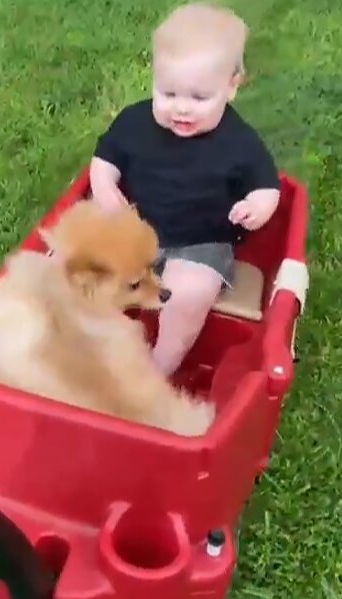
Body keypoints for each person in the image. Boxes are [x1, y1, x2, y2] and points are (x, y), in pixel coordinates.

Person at [89, 2, 279, 377]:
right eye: (168, 92)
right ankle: (90, 345)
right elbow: (103, 161)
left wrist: (256, 207)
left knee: (188, 292)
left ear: (232, 87)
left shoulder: (239, 142)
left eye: (198, 98)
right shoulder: (135, 123)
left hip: (201, 243)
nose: (181, 109)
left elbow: (267, 187)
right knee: (82, 268)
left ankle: (159, 366)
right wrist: (106, 190)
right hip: (137, 228)